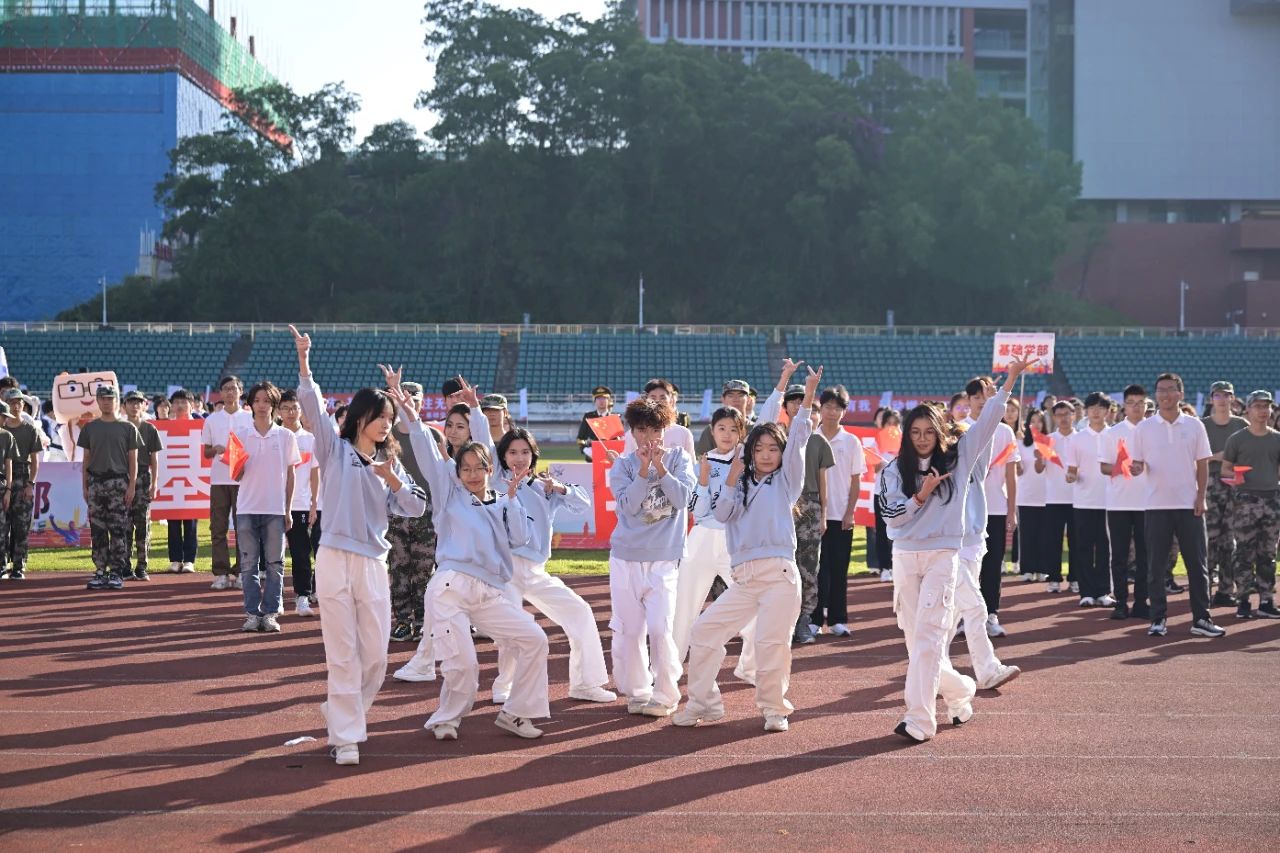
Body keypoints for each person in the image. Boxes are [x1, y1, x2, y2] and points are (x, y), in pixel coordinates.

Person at [290, 328, 428, 766]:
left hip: (372, 561)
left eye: (389, 417)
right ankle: (346, 737)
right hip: (332, 556)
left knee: (376, 655)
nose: (385, 423)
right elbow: (310, 404)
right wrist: (305, 361)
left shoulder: (391, 462)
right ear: (359, 417)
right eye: (378, 415)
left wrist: (391, 479)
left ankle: (340, 715)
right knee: (342, 651)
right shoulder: (335, 449)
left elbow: (415, 507)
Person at [392, 367, 550, 743]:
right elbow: (429, 452)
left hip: (488, 592)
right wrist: (410, 413)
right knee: (464, 665)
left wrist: (511, 499)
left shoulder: (501, 499)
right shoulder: (449, 494)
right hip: (450, 588)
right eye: (466, 468)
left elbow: (519, 537)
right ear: (458, 470)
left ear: (490, 469)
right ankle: (446, 719)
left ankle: (516, 713)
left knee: (534, 639)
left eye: (480, 468)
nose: (473, 474)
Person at [879, 355, 1032, 743]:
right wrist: (920, 496)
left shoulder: (960, 457)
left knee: (930, 636)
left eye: (928, 431)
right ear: (906, 434)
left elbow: (987, 423)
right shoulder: (893, 470)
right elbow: (893, 519)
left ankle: (918, 720)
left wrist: (1011, 378)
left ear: (939, 431)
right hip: (905, 555)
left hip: (944, 556)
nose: (922, 438)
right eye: (914, 432)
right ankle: (961, 689)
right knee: (917, 642)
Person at [673, 365, 823, 732]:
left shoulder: (787, 482)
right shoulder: (737, 485)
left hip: (779, 577)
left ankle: (774, 710)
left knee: (771, 646)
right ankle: (704, 705)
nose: (767, 454)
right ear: (750, 452)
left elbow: (798, 436)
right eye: (760, 448)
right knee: (704, 632)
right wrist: (731, 478)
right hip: (744, 580)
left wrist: (804, 398)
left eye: (774, 448)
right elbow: (721, 514)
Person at [490, 427, 616, 704]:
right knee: (514, 627)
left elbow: (583, 503)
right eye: (512, 452)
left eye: (525, 452)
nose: (519, 459)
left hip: (536, 571)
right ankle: (504, 685)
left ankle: (586, 684)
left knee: (581, 612)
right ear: (502, 456)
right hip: (505, 570)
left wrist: (560, 487)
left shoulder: (544, 488)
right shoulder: (494, 484)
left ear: (534, 456)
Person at [608, 396, 697, 717]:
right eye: (642, 430)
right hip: (625, 558)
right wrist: (643, 472)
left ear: (665, 429)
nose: (649, 438)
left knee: (660, 628)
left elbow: (683, 498)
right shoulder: (622, 466)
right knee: (630, 631)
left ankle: (666, 692)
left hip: (665, 559)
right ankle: (637, 689)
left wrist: (659, 467)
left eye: (656, 429)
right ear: (632, 431)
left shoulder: (680, 459)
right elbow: (629, 506)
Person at [1129, 373, 1225, 639]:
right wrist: (1136, 468)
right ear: (1155, 394)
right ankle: (1157, 618)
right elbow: (1137, 464)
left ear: (1180, 394)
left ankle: (1202, 619)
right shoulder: (1144, 428)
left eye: (1171, 390)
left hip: (1189, 504)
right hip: (1156, 505)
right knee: (1156, 566)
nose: (1165, 394)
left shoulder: (1194, 426)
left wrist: (1201, 496)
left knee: (1197, 565)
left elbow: (1202, 464)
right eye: (1160, 390)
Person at [759, 368, 835, 645]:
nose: (796, 404)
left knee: (807, 564)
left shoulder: (814, 439)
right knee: (777, 564)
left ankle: (803, 621)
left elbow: (822, 481)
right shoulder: (775, 437)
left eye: (801, 400)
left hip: (810, 505)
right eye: (792, 400)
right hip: (779, 503)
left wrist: (823, 514)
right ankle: (777, 620)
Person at [674, 404, 753, 668]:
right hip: (702, 539)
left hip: (735, 541)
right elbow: (698, 509)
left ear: (742, 432)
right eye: (722, 428)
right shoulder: (703, 462)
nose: (727, 434)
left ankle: (752, 668)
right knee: (684, 606)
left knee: (754, 604)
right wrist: (705, 477)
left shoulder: (749, 461)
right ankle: (668, 669)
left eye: (733, 429)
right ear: (712, 430)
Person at [234, 381, 301, 633]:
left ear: (274, 406)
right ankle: (252, 613)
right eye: (257, 401)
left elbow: (291, 474)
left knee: (275, 563)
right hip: (246, 508)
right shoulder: (240, 436)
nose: (262, 406)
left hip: (275, 508)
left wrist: (288, 508)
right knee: (249, 564)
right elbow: (236, 475)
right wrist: (238, 463)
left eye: (267, 401)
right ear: (250, 404)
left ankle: (270, 613)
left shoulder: (286, 436)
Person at [960, 377, 1019, 636]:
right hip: (965, 509)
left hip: (994, 507)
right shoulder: (959, 429)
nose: (981, 402)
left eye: (986, 397)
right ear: (968, 400)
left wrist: (1011, 510)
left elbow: (1011, 475)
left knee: (993, 563)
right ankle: (964, 616)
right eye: (976, 397)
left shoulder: (1005, 431)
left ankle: (990, 614)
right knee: (966, 564)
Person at [384, 380, 437, 642]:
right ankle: (403, 620)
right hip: (395, 513)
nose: (408, 404)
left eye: (413, 399)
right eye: (402, 398)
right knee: (398, 568)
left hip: (427, 513)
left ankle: (424, 618)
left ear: (421, 402)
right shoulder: (387, 435)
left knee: (424, 569)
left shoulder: (432, 435)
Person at [811, 384, 866, 636]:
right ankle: (813, 619)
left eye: (837, 408)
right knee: (814, 569)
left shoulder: (851, 441)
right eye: (828, 407)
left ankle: (837, 620)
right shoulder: (811, 437)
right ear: (820, 408)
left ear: (844, 411)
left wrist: (850, 512)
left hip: (841, 515)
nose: (832, 412)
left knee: (838, 568)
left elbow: (856, 480)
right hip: (813, 514)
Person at [1221, 391, 1280, 619]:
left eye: (1266, 406)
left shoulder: (1276, 438)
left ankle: (1266, 600)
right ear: (1248, 410)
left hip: (1272, 500)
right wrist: (1236, 475)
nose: (1263, 411)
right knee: (1244, 552)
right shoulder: (1237, 439)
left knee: (1267, 553)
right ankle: (1243, 599)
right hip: (1245, 501)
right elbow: (1225, 469)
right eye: (1258, 406)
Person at [77, 386, 141, 591]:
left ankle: (116, 571)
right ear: (97, 401)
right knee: (97, 529)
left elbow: (133, 460)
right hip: (96, 482)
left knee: (118, 529)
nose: (106, 401)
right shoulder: (90, 428)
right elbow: (86, 459)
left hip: (119, 483)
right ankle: (99, 570)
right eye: (103, 398)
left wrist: (132, 486)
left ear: (117, 400)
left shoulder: (128, 428)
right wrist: (85, 486)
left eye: (110, 398)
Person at [1099, 385, 1150, 620]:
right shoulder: (1111, 433)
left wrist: (1144, 467)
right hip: (1119, 502)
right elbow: (1104, 467)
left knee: (1145, 555)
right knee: (1119, 555)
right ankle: (1120, 602)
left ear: (1147, 405)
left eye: (1141, 402)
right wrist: (1125, 467)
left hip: (1148, 503)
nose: (1137, 407)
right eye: (1132, 402)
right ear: (1124, 406)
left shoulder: (1154, 431)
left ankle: (1141, 601)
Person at [1063, 393, 1116, 609]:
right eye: (1091, 407)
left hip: (1110, 500)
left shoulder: (1115, 435)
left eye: (1100, 407)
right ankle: (1085, 592)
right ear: (1086, 411)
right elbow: (1071, 470)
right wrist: (1070, 476)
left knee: (1105, 547)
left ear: (1107, 411)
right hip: (1083, 500)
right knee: (1083, 546)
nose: (1095, 411)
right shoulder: (1077, 438)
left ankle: (1103, 591)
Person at [202, 376, 252, 591]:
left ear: (241, 392)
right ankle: (221, 573)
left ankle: (242, 571)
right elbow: (205, 452)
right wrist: (217, 449)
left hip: (245, 480)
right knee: (218, 527)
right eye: (226, 389)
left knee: (244, 528)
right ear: (220, 393)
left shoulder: (250, 418)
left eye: (234, 388)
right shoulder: (212, 420)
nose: (230, 392)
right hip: (219, 480)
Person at [1201, 381, 1248, 607]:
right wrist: (1217, 456)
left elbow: (1250, 454)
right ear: (1212, 399)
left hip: (1235, 484)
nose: (1221, 399)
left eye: (1226, 395)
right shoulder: (1202, 426)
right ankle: (1204, 589)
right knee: (1208, 538)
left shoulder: (1242, 424)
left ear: (1232, 398)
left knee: (1229, 540)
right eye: (1217, 395)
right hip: (1210, 483)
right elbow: (1194, 457)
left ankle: (1226, 589)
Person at [279, 389, 321, 617]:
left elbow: (315, 474)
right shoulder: (275, 436)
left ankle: (302, 596)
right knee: (272, 555)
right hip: (272, 504)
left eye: (294, 408)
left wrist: (314, 503)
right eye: (285, 408)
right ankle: (274, 600)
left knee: (301, 552)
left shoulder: (309, 439)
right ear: (279, 411)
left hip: (301, 504)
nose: (290, 412)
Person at [122, 390, 164, 581]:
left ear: (144, 405)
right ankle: (124, 566)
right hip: (121, 478)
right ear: (124, 405)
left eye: (138, 402)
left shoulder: (149, 429)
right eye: (131, 402)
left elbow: (155, 459)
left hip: (143, 478)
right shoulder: (119, 428)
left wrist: (154, 483)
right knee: (124, 525)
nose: (134, 405)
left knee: (143, 525)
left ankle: (141, 566)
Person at [2, 399, 41, 579]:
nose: (16, 406)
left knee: (22, 526)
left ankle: (18, 565)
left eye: (19, 403)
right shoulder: (4, 430)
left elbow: (35, 460)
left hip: (23, 477)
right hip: (4, 479)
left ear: (23, 406)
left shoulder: (30, 429)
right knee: (3, 526)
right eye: (11, 402)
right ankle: (2, 565)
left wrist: (31, 484)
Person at [1042, 401, 1076, 593]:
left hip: (1077, 499)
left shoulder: (1080, 439)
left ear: (1074, 415)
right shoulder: (1047, 440)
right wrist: (1040, 458)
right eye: (1059, 415)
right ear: (1054, 417)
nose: (1063, 418)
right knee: (1053, 541)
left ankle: (1075, 578)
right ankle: (1054, 578)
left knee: (1076, 541)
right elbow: (1039, 469)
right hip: (1053, 497)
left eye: (1067, 414)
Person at [165, 389, 199, 573]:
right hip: (173, 477)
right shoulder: (166, 427)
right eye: (176, 402)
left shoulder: (200, 425)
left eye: (183, 402)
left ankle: (189, 560)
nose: (179, 405)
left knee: (191, 521)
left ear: (191, 405)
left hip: (193, 478)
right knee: (173, 520)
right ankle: (175, 559)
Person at [1016, 408, 1049, 584]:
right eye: (1033, 421)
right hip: (1026, 496)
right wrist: (1017, 461)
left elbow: (1041, 469)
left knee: (1044, 534)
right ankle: (1027, 569)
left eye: (1040, 421)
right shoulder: (1020, 444)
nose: (1036, 424)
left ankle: (1042, 569)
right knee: (1027, 534)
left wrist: (1040, 459)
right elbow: (1019, 471)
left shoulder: (1048, 443)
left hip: (1045, 496)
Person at [624, 379, 696, 459]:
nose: (658, 401)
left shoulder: (684, 433)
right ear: (645, 400)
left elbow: (691, 466)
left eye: (663, 398)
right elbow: (628, 463)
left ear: (671, 400)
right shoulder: (633, 434)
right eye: (653, 397)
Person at [695, 380, 753, 455]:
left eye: (740, 395)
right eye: (730, 396)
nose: (735, 399)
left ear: (748, 400)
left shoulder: (755, 429)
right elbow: (702, 460)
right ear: (722, 399)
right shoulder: (711, 430)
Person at [576, 386, 613, 461]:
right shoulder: (588, 417)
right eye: (598, 398)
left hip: (610, 458)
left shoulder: (614, 418)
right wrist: (586, 449)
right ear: (594, 401)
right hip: (591, 458)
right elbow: (580, 438)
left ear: (608, 400)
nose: (601, 401)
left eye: (604, 398)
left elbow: (620, 440)